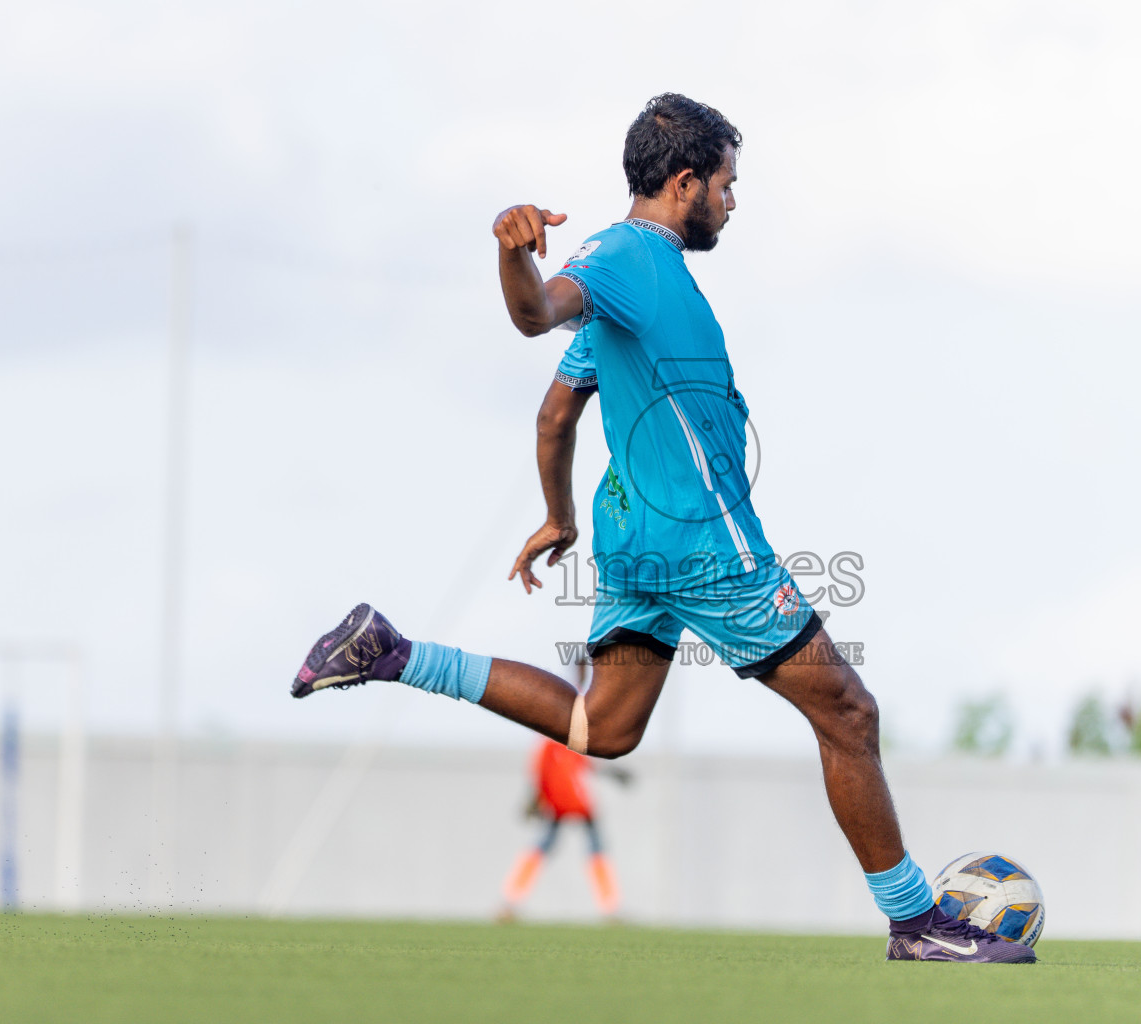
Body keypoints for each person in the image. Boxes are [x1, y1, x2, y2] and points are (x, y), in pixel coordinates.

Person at [290, 93, 1034, 963]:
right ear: (685, 183)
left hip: (636, 543)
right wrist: (511, 254)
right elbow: (536, 315)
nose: (731, 200)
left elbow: (554, 417)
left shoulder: (643, 291)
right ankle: (917, 923)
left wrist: (559, 517)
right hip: (705, 548)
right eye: (725, 183)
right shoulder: (624, 260)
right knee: (847, 711)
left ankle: (393, 652)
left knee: (601, 731)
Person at [500, 661, 629, 921]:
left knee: (584, 847)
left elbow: (584, 757)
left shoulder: (581, 704)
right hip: (566, 794)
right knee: (558, 847)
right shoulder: (565, 708)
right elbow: (546, 759)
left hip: (571, 792)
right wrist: (534, 795)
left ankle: (610, 908)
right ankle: (510, 902)